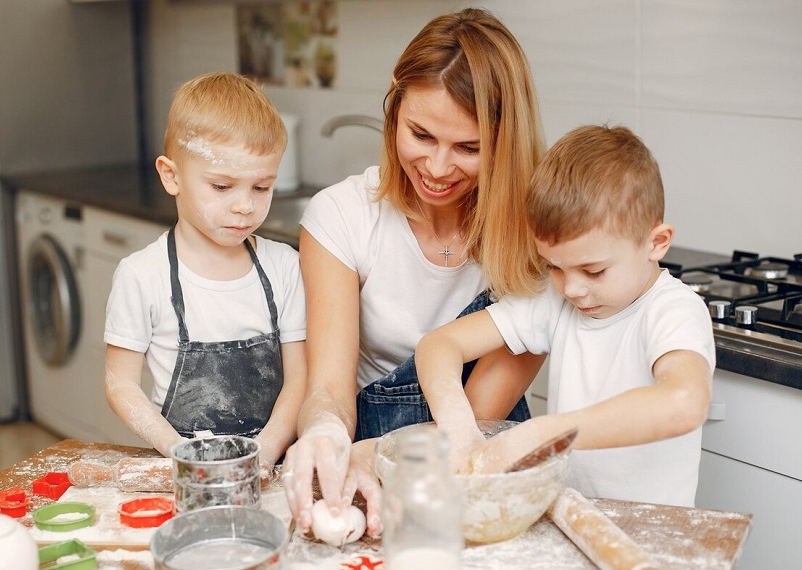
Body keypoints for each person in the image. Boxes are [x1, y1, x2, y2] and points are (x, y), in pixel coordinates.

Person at [282, 8, 547, 535]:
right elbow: (329, 389)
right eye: (421, 135)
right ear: (394, 105)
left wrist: (378, 454)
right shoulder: (342, 216)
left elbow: (470, 428)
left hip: (476, 461)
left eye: (470, 148)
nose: (439, 167)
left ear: (504, 140)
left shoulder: (538, 229)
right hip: (360, 456)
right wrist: (325, 433)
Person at [417, 124, 716, 507]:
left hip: (650, 538)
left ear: (655, 243)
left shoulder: (673, 310)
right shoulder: (555, 301)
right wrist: (457, 425)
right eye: (554, 267)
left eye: (594, 271)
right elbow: (439, 344)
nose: (572, 288)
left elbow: (684, 402)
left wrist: (541, 433)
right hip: (572, 523)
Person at [103, 72, 307, 475]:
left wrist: (265, 451)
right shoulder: (143, 275)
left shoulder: (284, 266)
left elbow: (300, 377)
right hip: (184, 467)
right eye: (222, 186)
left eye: (261, 188)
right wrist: (180, 452)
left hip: (275, 466)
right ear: (171, 176)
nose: (245, 206)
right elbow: (120, 384)